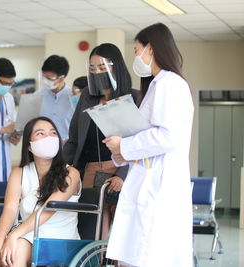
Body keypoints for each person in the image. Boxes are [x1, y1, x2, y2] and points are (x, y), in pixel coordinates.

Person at [104, 23, 194, 267]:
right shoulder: (156, 85)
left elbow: (167, 137)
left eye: (136, 49)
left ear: (150, 49)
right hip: (146, 182)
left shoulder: (170, 84)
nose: (135, 56)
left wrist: (124, 145)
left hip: (158, 188)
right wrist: (122, 152)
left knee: (149, 256)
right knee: (137, 255)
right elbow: (147, 139)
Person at [0, 116, 81, 267]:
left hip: (59, 239)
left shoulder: (71, 173)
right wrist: (0, 238)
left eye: (53, 133)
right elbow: (10, 208)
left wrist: (13, 236)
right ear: (29, 146)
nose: (49, 137)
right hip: (25, 234)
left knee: (15, 252)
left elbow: (47, 210)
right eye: (41, 133)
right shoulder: (19, 173)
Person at [63, 43, 141, 240]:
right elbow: (74, 139)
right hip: (90, 173)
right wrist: (60, 166)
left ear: (116, 68)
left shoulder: (133, 97)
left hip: (122, 174)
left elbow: (138, 142)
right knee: (90, 233)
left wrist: (122, 175)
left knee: (122, 238)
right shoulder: (87, 97)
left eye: (102, 67)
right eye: (92, 68)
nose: (97, 72)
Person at [36, 55, 74, 141]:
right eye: (44, 76)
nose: (45, 80)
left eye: (49, 78)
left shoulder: (73, 98)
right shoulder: (37, 97)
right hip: (42, 147)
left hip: (66, 149)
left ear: (61, 78)